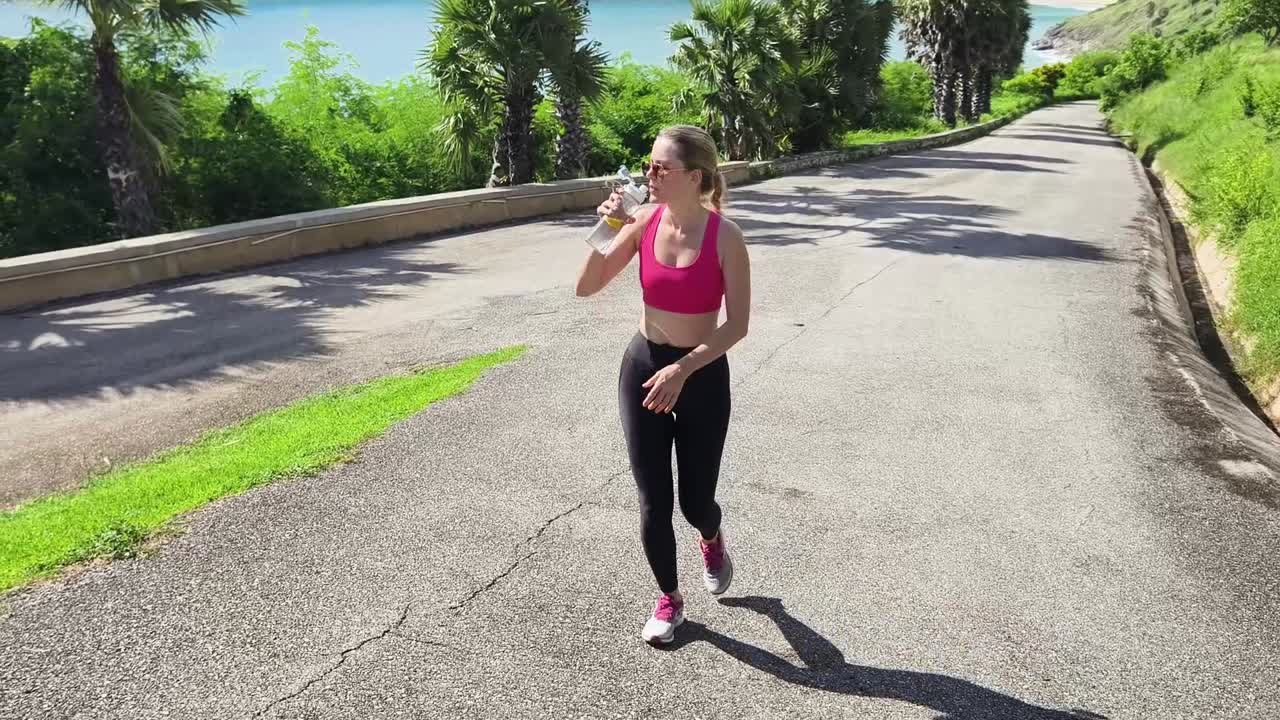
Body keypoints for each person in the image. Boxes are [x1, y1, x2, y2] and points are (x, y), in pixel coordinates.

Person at [574, 125, 752, 645]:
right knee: (654, 500)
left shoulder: (726, 237)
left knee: (696, 502)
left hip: (699, 373)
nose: (647, 176)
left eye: (659, 169)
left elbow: (736, 325)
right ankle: (670, 600)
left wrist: (684, 369)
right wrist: (607, 225)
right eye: (648, 166)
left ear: (694, 177)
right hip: (644, 366)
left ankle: (712, 537)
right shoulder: (643, 220)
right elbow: (585, 287)